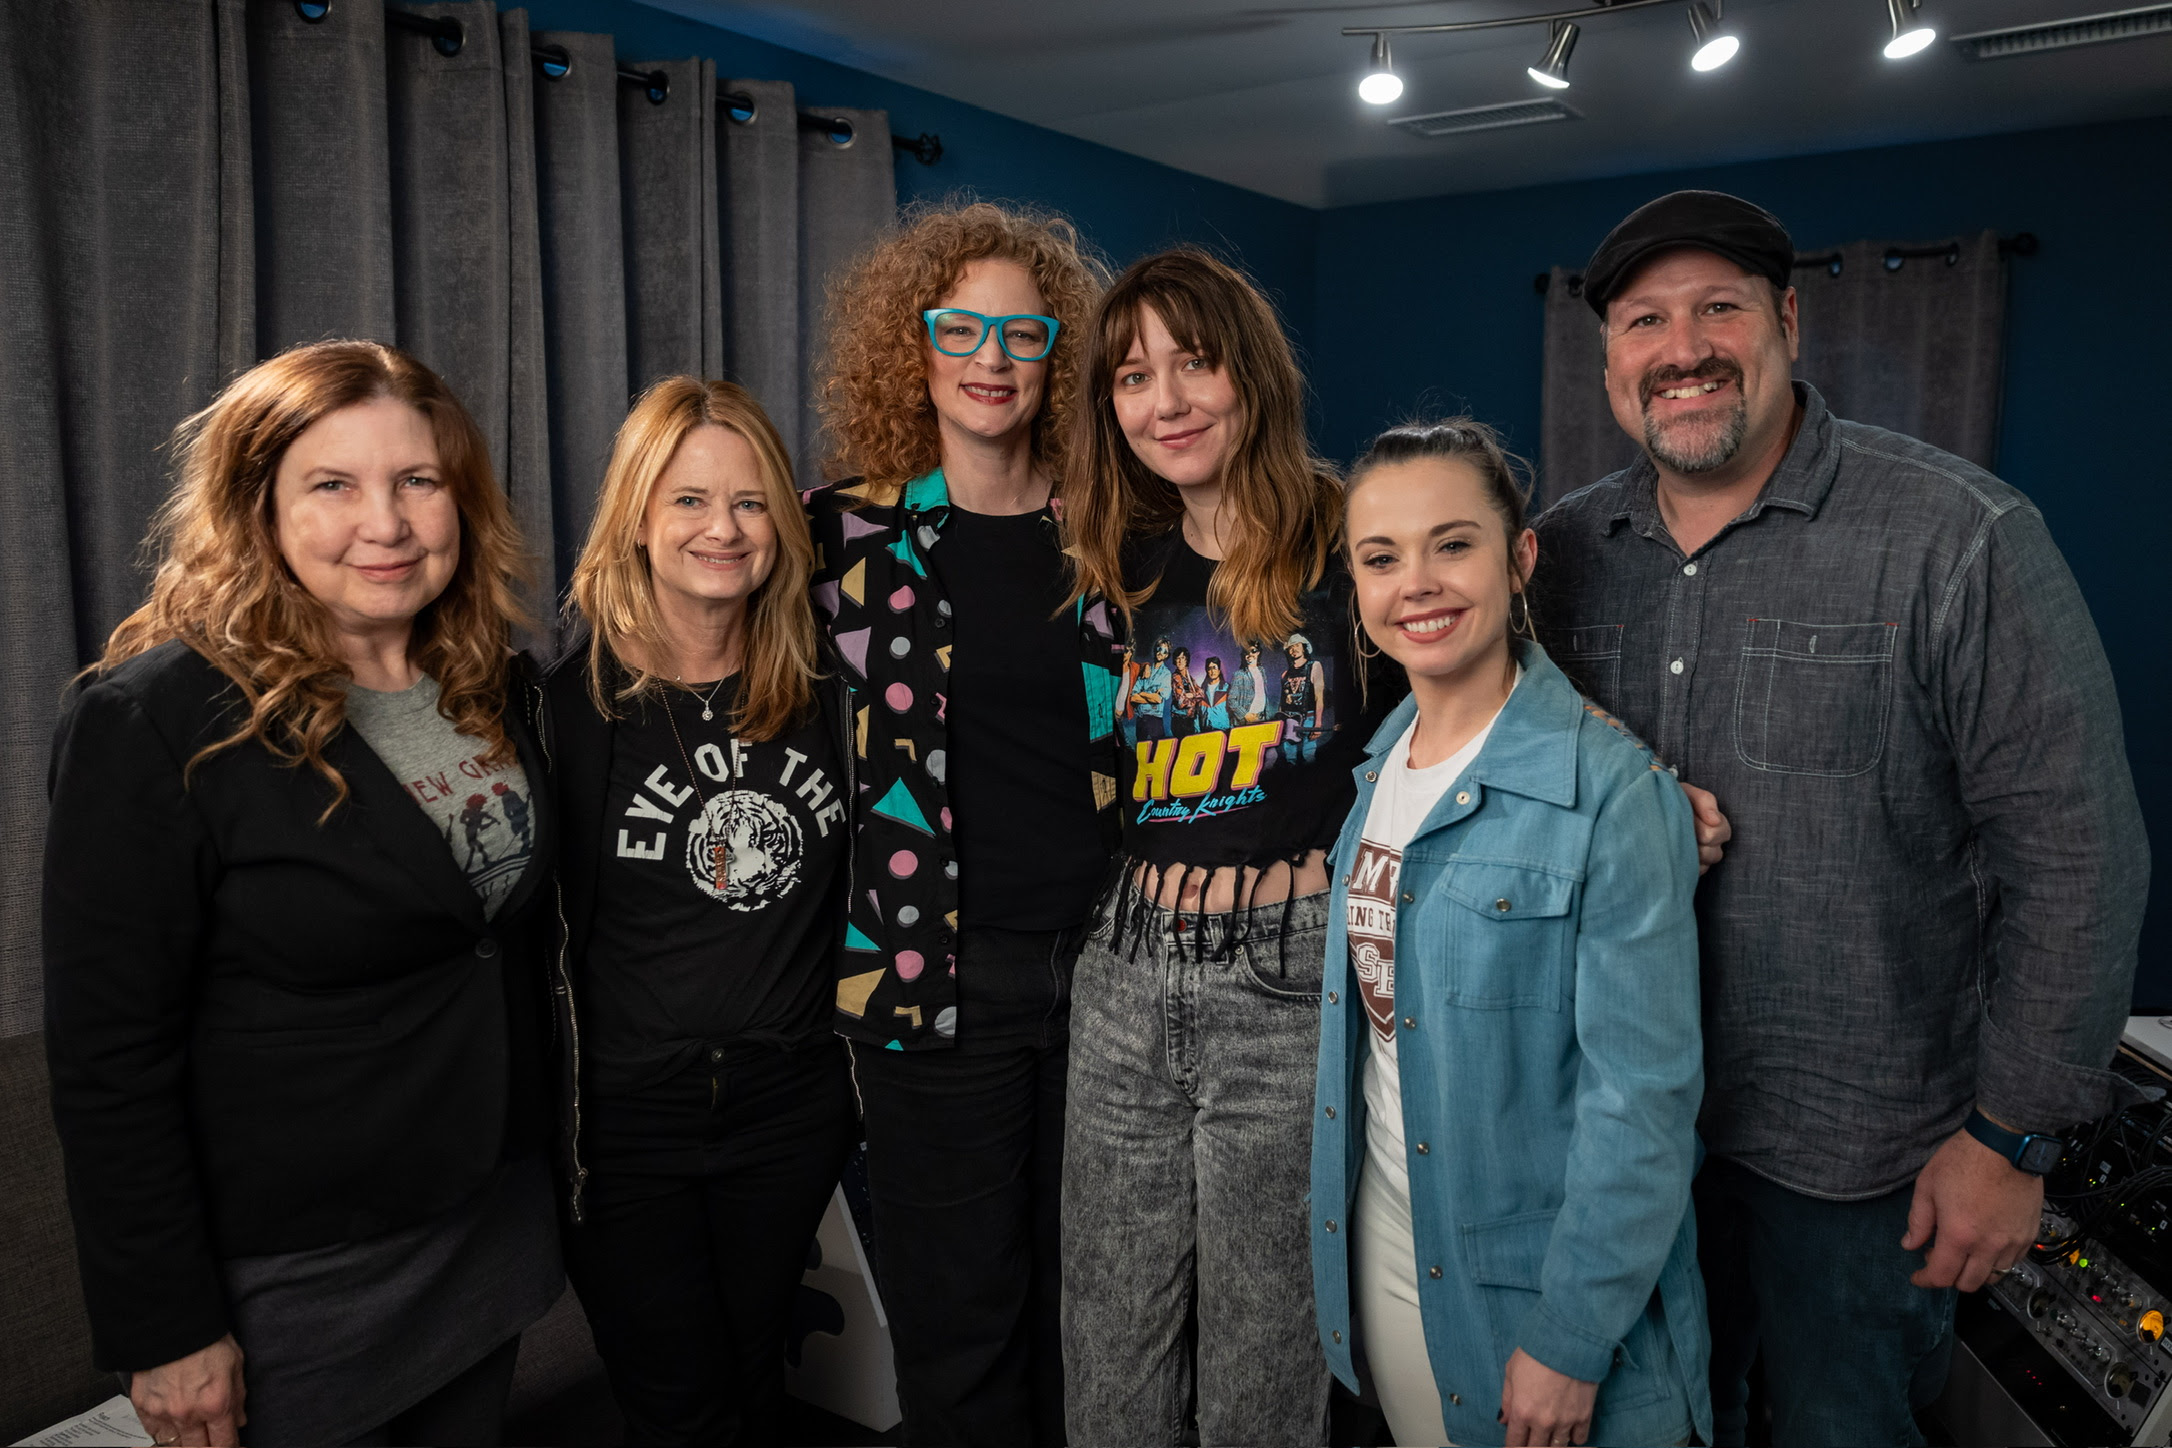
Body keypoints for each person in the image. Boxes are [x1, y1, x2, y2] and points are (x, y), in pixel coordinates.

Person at [1532, 189, 2150, 1446]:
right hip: (1621, 1136)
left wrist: (2009, 1140)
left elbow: (2078, 854)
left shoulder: (1958, 537)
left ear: (1791, 321)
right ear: (1608, 363)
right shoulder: (1557, 555)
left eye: (1719, 308)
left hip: (1861, 1157)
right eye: (1645, 320)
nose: (1683, 346)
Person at [42, 340, 560, 1447]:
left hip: (487, 1224)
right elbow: (108, 1058)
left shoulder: (494, 684)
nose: (388, 521)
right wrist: (166, 1325)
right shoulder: (153, 719)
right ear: (256, 506)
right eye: (333, 483)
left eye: (419, 480)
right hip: (296, 1276)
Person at [1311, 419, 1710, 1448]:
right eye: (1382, 557)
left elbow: (1645, 1104)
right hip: (1394, 1248)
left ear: (1519, 556)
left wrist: (1573, 1337)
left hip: (1537, 1284)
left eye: (1455, 543)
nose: (1420, 584)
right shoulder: (1375, 773)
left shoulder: (1612, 794)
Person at [1058, 248, 1383, 1447]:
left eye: (1194, 362)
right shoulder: (1111, 557)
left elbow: (1488, 690)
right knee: (1109, 1331)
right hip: (1126, 968)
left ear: (1249, 372)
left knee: (1264, 1341)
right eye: (1135, 376)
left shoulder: (1355, 535)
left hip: (1286, 978)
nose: (1168, 400)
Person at [808, 202, 1119, 1446]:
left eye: (1024, 332)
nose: (992, 356)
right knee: (959, 1315)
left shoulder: (1114, 532)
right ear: (914, 345)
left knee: (1097, 1305)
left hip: (1117, 975)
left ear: (1060, 357)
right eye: (961, 327)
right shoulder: (839, 534)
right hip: (925, 978)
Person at [536, 377, 855, 1446]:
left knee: (759, 1370)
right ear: (635, 514)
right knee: (675, 1398)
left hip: (790, 1108)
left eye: (753, 500)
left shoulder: (832, 700)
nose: (723, 528)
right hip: (626, 1127)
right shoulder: (559, 716)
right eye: (688, 499)